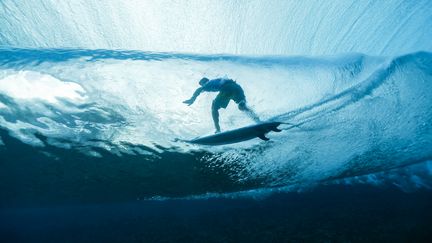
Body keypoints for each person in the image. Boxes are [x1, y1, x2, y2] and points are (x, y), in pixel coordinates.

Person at [183, 77, 260, 133]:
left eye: (201, 85)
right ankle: (258, 121)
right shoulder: (217, 81)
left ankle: (218, 129)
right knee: (242, 107)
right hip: (237, 87)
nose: (202, 87)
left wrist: (192, 99)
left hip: (227, 88)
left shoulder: (208, 84)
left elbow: (199, 90)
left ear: (204, 82)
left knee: (214, 107)